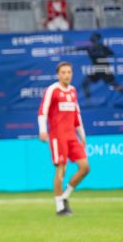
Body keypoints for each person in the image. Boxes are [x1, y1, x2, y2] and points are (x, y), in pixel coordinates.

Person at [38, 61, 90, 216]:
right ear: (58, 74)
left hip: (72, 136)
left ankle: (64, 196)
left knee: (85, 167)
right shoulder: (52, 90)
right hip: (58, 136)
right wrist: (42, 130)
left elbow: (77, 115)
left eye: (69, 72)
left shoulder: (73, 91)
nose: (67, 75)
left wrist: (82, 135)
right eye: (63, 72)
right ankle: (59, 207)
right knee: (61, 169)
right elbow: (42, 111)